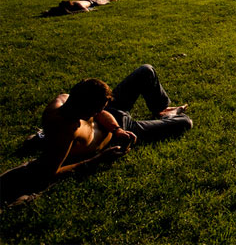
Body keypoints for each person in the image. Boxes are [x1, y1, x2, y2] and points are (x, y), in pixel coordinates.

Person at [0, 63, 194, 204]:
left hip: (117, 127)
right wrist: (100, 159)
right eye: (96, 110)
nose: (99, 112)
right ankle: (167, 118)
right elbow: (50, 172)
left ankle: (162, 110)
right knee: (185, 122)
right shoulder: (65, 129)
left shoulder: (66, 99)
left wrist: (116, 129)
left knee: (146, 70)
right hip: (128, 130)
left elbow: (103, 112)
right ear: (85, 109)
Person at [42, 0, 124, 16]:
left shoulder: (77, 5)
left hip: (91, 3)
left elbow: (86, 10)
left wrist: (72, 13)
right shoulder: (68, 5)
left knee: (107, 0)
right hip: (86, 0)